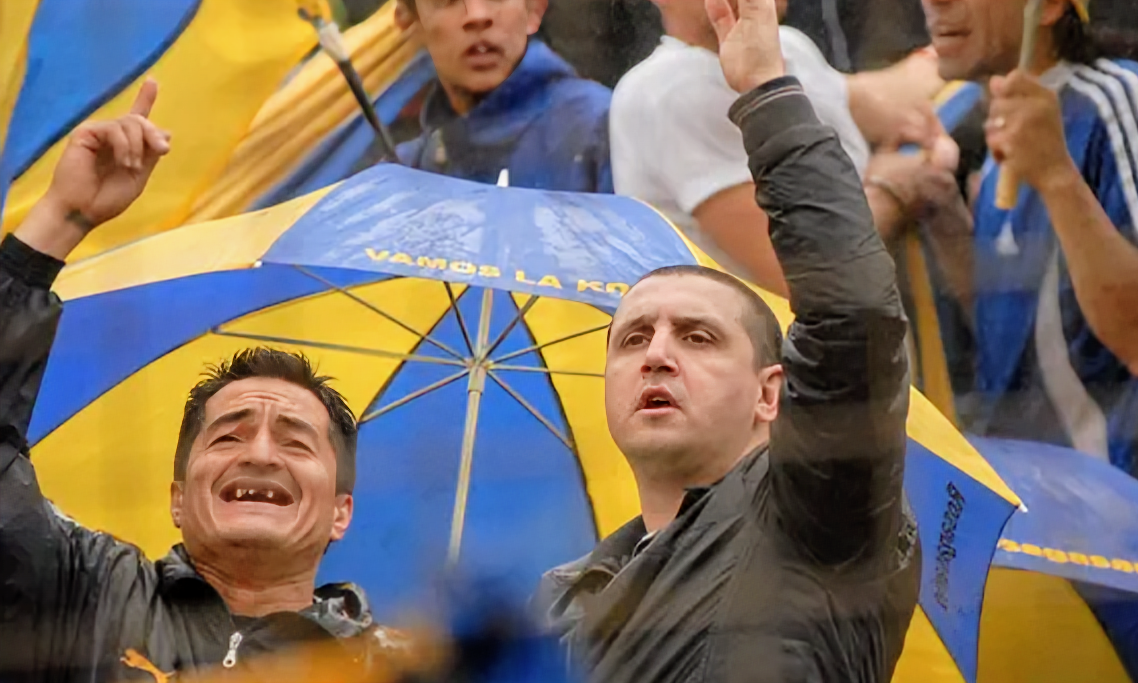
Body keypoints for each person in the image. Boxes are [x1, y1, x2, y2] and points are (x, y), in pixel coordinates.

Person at [536, 0, 919, 680]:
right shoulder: (559, 605)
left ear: (772, 392)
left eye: (698, 336)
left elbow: (855, 312)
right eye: (631, 340)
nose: (656, 353)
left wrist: (767, 91)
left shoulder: (816, 515)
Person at [0, 82, 406, 682]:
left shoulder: (388, 666)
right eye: (227, 438)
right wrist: (58, 222)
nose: (261, 454)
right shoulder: (81, 589)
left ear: (341, 512)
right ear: (178, 499)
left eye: (295, 441)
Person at [919, 0, 1138, 472]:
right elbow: (1017, 336)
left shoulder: (1115, 100)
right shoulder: (1001, 119)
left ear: (1050, 6)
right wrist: (943, 216)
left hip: (1117, 510)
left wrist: (1058, 178)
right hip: (1040, 507)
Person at [609, 0, 959, 295]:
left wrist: (975, 47)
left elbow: (888, 97)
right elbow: (807, 271)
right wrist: (893, 187)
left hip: (852, 341)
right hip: (765, 365)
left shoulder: (787, 48)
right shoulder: (673, 89)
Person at [392, 0, 613, 193]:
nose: (477, 15)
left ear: (535, 9)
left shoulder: (604, 130)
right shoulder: (400, 179)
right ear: (410, 23)